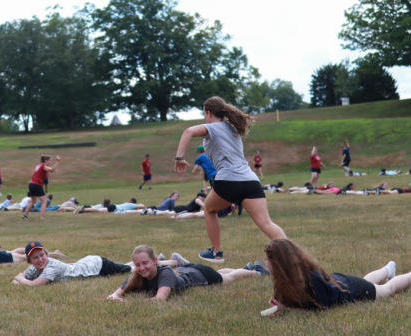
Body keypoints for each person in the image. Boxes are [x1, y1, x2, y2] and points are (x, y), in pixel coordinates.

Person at [173, 96, 287, 263]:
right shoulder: (233, 128)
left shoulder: (212, 127)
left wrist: (179, 158)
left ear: (208, 112)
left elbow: (188, 131)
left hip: (228, 180)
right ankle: (293, 256)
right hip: (250, 180)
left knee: (209, 210)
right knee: (267, 223)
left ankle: (217, 253)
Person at [264, 239, 411, 313]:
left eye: (267, 260)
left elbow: (321, 309)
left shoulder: (312, 278)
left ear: (279, 263)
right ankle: (388, 269)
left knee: (387, 289)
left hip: (352, 290)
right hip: (342, 282)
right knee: (367, 282)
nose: (265, 263)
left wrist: (287, 310)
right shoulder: (284, 278)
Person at [106, 245, 269, 302]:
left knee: (227, 277)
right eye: (137, 265)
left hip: (200, 275)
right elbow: (112, 296)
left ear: (155, 260)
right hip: (185, 270)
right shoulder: (135, 277)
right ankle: (246, 267)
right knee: (220, 272)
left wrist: (130, 303)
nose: (141, 268)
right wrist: (117, 299)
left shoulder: (165, 273)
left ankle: (256, 272)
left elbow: (159, 299)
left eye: (145, 263)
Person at [12, 241, 177, 286]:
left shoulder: (51, 266)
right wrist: (20, 279)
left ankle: (172, 261)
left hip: (97, 267)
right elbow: (23, 278)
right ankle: (161, 257)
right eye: (35, 258)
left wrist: (21, 279)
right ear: (29, 261)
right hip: (88, 262)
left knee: (130, 269)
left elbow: (33, 284)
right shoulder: (35, 267)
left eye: (42, 255)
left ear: (46, 254)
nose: (40, 259)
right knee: (124, 266)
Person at [22, 155, 60, 220]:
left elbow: (32, 175)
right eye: (50, 160)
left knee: (32, 201)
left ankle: (25, 215)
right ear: (46, 160)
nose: (50, 162)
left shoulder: (38, 166)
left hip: (31, 184)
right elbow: (53, 170)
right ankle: (42, 217)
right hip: (37, 184)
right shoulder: (43, 166)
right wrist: (57, 161)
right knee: (44, 201)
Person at [77, 198, 144, 214]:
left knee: (99, 210)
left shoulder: (127, 203)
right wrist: (140, 204)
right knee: (98, 211)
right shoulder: (133, 205)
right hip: (114, 208)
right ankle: (84, 209)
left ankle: (84, 209)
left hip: (113, 206)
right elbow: (142, 207)